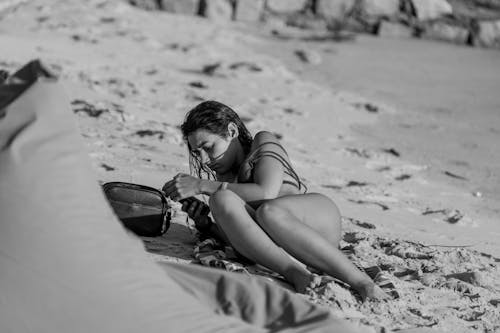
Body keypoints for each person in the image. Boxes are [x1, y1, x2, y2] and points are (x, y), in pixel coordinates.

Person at [162, 100, 388, 301]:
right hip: (286, 248)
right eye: (196, 152)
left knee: (269, 211)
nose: (203, 159)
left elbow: (266, 193)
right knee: (221, 200)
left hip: (315, 223)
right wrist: (206, 225)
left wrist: (201, 185)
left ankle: (362, 283)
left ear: (231, 131)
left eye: (207, 147)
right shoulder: (224, 181)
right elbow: (246, 242)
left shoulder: (262, 142)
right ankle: (295, 273)